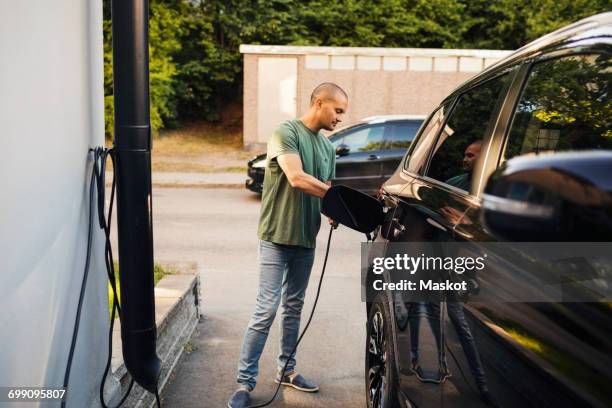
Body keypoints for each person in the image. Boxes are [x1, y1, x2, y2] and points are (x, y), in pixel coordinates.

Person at [227, 83, 348, 408]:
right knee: (266, 309)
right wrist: (335, 197)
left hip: (305, 241)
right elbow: (296, 178)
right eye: (337, 111)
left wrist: (337, 212)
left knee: (293, 309)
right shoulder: (285, 132)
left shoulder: (328, 148)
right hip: (276, 238)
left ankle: (288, 370)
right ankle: (244, 383)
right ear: (319, 102)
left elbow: (328, 192)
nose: (340, 119)